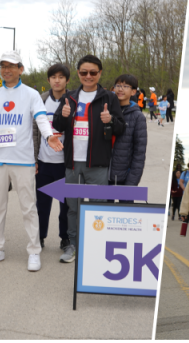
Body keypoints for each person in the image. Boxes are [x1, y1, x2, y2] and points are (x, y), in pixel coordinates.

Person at [0, 51, 63, 271]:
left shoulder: (31, 94)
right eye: (3, 66)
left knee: (28, 208)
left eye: (11, 66)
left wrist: (49, 135)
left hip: (23, 161)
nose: (6, 70)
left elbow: (41, 119)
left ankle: (34, 251)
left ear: (20, 69)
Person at [52, 54, 125, 264]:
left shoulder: (109, 98)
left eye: (93, 72)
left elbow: (120, 128)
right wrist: (63, 115)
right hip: (73, 162)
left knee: (97, 206)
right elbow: (57, 125)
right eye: (84, 72)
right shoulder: (69, 97)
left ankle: (94, 245)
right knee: (73, 207)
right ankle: (73, 245)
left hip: (97, 162)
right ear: (78, 74)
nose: (88, 76)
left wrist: (110, 120)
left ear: (100, 73)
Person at [33, 64, 71, 252]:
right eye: (53, 77)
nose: (57, 80)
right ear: (48, 80)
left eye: (61, 77)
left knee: (66, 206)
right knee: (42, 205)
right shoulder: (41, 100)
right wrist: (34, 159)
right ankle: (39, 237)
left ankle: (65, 239)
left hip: (65, 164)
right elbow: (33, 131)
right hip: (44, 162)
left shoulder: (73, 100)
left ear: (67, 80)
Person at [109, 73, 148, 186]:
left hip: (125, 178)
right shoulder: (107, 112)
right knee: (104, 204)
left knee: (126, 204)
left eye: (125, 86)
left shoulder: (137, 117)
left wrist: (132, 182)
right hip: (104, 177)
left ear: (133, 92)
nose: (120, 89)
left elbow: (139, 153)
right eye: (118, 85)